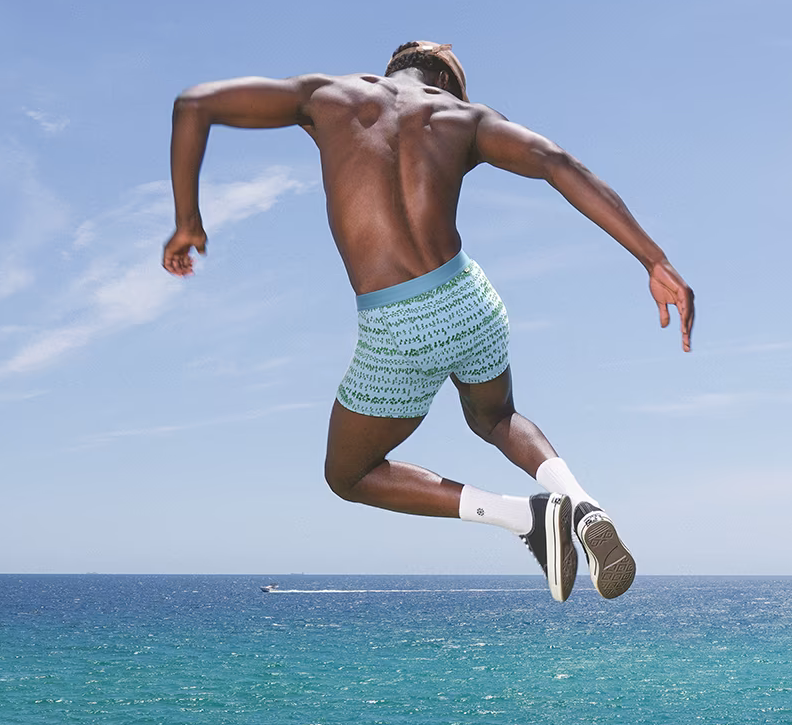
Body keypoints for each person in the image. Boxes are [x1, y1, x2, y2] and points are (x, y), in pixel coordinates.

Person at [162, 41, 693, 600]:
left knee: (349, 475)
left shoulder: (327, 96)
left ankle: (524, 518)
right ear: (445, 82)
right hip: (470, 300)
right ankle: (582, 503)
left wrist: (188, 221)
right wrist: (653, 260)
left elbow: (194, 104)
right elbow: (557, 165)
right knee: (496, 419)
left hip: (398, 324)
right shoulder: (465, 118)